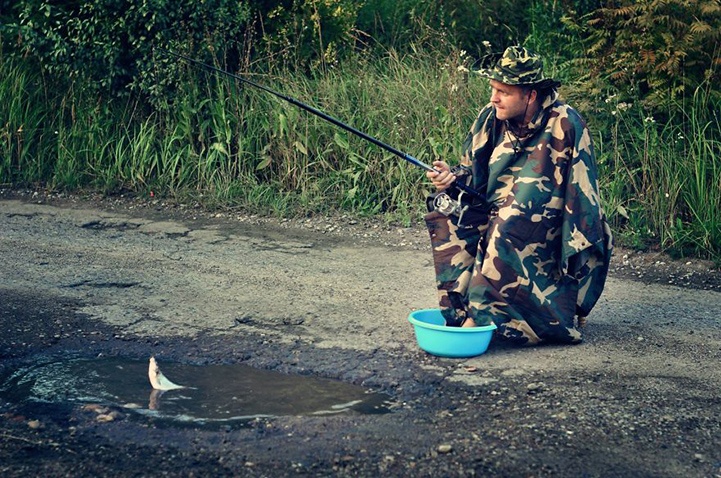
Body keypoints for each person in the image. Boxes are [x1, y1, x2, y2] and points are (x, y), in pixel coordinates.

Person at [425, 45, 613, 345]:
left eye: (503, 91)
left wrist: (579, 251)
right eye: (493, 88)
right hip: (497, 208)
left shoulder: (566, 122)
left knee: (509, 219)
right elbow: (472, 176)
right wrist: (450, 178)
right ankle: (464, 310)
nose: (493, 98)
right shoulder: (490, 117)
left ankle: (484, 320)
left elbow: (584, 193)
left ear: (530, 95)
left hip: (547, 219)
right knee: (447, 213)